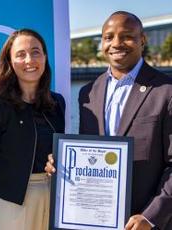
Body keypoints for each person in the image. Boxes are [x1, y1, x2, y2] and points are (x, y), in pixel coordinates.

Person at [46, 11, 172, 230]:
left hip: (145, 223)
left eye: (127, 36)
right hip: (95, 219)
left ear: (142, 40)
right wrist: (63, 164)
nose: (116, 43)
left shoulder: (166, 91)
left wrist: (151, 217)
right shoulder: (88, 92)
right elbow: (89, 152)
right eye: (108, 37)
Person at [0, 29, 65, 230]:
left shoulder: (58, 103)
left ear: (45, 57)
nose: (29, 60)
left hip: (53, 197)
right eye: (21, 54)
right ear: (10, 62)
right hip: (8, 201)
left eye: (36, 52)